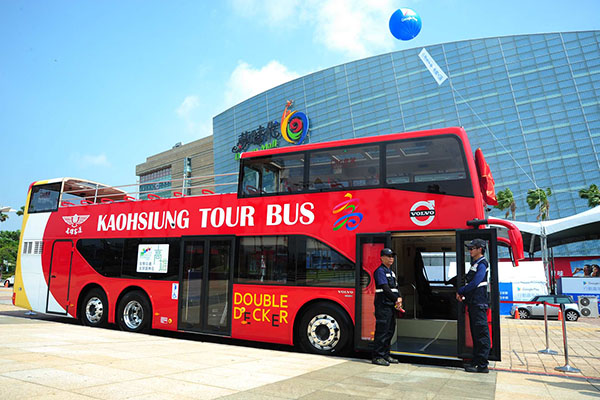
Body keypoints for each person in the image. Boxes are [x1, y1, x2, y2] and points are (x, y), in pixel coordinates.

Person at [456, 238, 490, 373]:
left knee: (481, 334)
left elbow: (475, 282)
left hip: (478, 303)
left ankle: (482, 365)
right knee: (476, 334)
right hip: (473, 303)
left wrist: (460, 291)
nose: (469, 250)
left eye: (472, 248)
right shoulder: (475, 263)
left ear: (480, 249)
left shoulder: (482, 264)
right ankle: (476, 361)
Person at [372, 247, 403, 366]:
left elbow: (396, 287)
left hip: (391, 306)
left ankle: (385, 354)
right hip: (383, 306)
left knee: (390, 331)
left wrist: (399, 297)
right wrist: (396, 299)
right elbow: (385, 288)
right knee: (382, 332)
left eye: (392, 257)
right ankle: (377, 356)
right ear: (381, 258)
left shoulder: (391, 272)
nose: (391, 258)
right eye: (388, 256)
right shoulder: (380, 271)